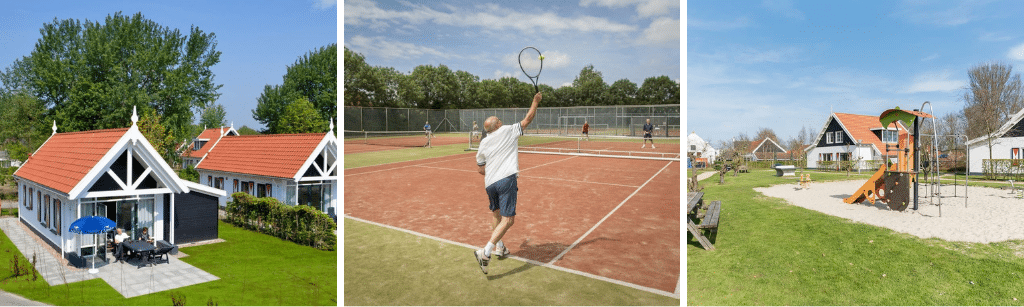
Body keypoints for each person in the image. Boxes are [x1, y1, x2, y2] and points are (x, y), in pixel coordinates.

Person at [472, 92, 542, 274]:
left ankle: (499, 247)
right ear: (498, 125)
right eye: (499, 120)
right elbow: (527, 119)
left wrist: (493, 173)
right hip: (506, 180)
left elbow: (480, 169)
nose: (501, 121)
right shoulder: (507, 130)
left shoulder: (484, 143)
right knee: (508, 220)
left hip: (490, 184)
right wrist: (535, 101)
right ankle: (485, 252)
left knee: (496, 216)